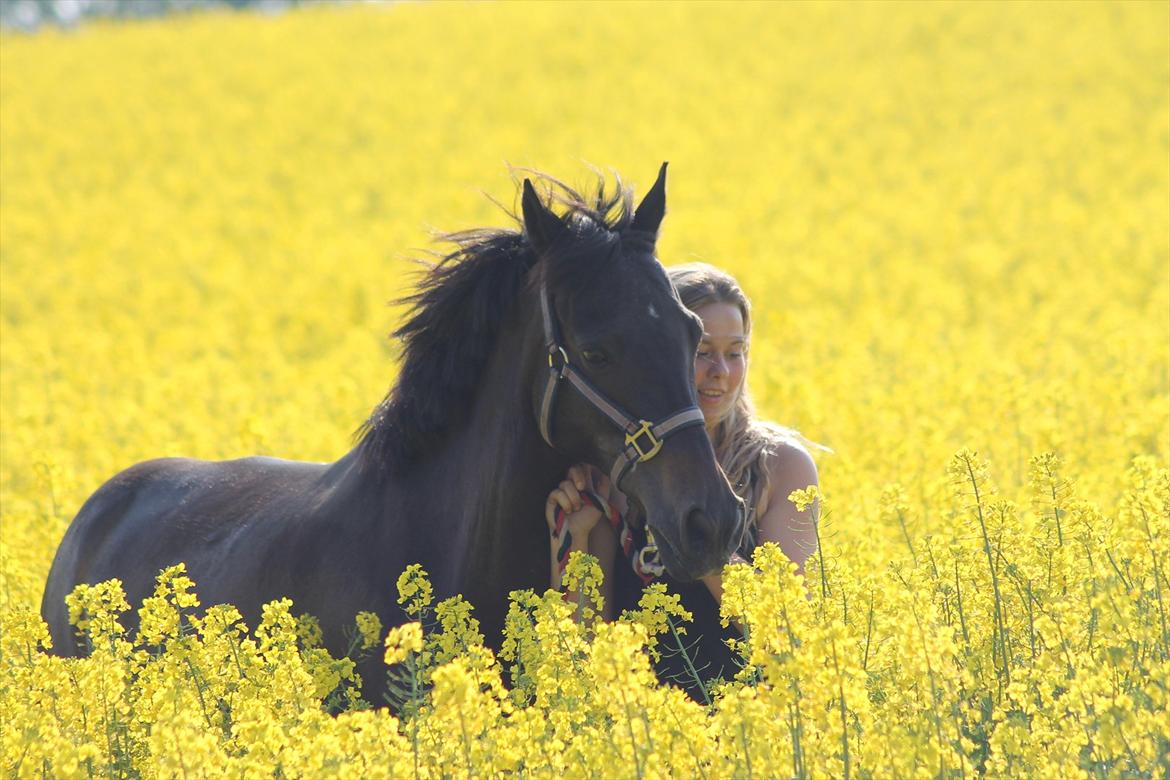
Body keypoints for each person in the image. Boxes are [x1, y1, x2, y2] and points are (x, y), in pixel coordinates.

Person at [544, 263, 821, 694]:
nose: (721, 372)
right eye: (702, 352)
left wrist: (707, 544)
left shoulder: (780, 466)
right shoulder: (614, 472)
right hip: (640, 741)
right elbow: (585, 651)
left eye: (735, 352)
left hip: (754, 731)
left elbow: (788, 633)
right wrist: (576, 538)